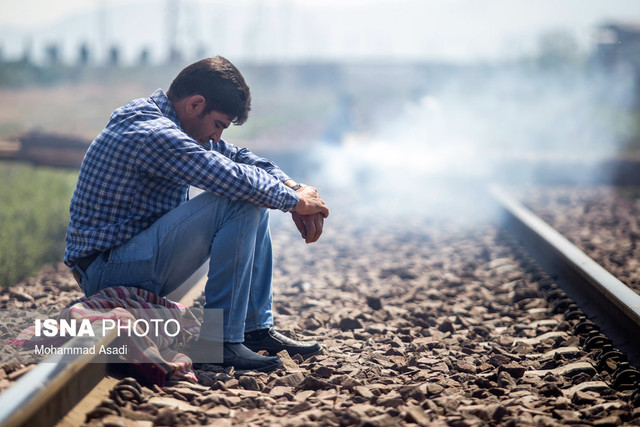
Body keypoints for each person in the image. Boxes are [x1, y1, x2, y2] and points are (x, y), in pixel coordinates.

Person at [64, 56, 330, 372]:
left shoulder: (176, 126)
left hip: (129, 258)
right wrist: (294, 202)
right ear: (195, 105)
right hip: (107, 271)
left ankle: (253, 329)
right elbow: (230, 177)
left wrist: (293, 186)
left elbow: (240, 157)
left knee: (252, 195)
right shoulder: (154, 133)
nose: (217, 136)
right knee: (241, 199)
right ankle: (220, 343)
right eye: (218, 124)